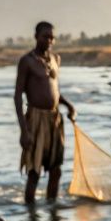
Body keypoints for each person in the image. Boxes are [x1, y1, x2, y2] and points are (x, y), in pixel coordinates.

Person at [15, 21, 76, 203]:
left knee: (56, 169)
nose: (49, 40)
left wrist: (69, 105)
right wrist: (24, 131)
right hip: (36, 119)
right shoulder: (27, 61)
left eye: (52, 37)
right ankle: (31, 216)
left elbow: (54, 91)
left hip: (54, 120)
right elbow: (18, 96)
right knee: (34, 170)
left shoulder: (55, 59)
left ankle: (52, 212)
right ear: (36, 37)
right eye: (45, 36)